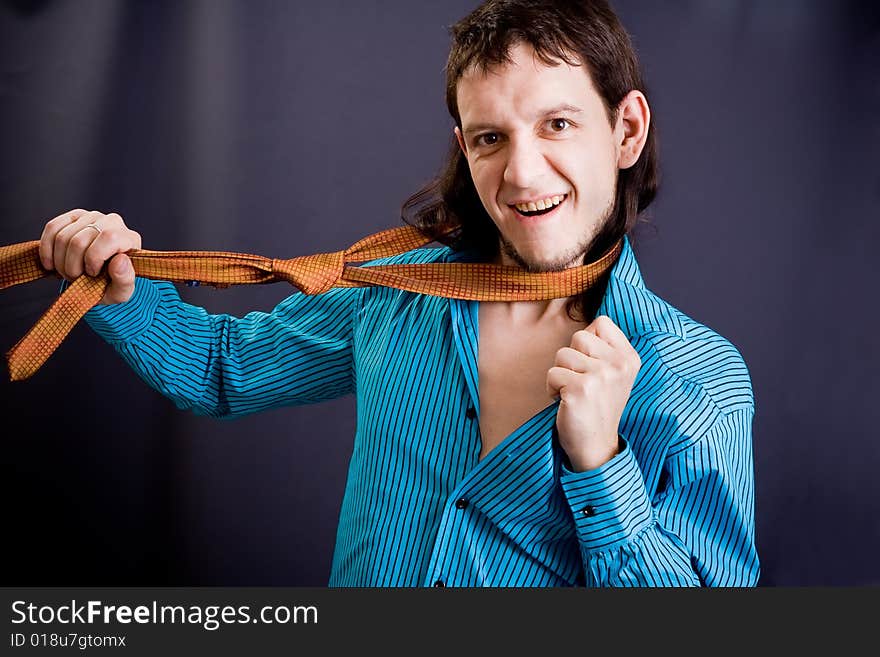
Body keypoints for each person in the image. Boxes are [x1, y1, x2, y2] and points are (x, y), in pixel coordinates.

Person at [35, 0, 759, 586]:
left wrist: (602, 462)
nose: (524, 174)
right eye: (489, 139)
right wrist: (113, 284)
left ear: (625, 129)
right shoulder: (396, 291)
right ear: (464, 146)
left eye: (557, 124)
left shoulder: (702, 381)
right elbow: (222, 367)